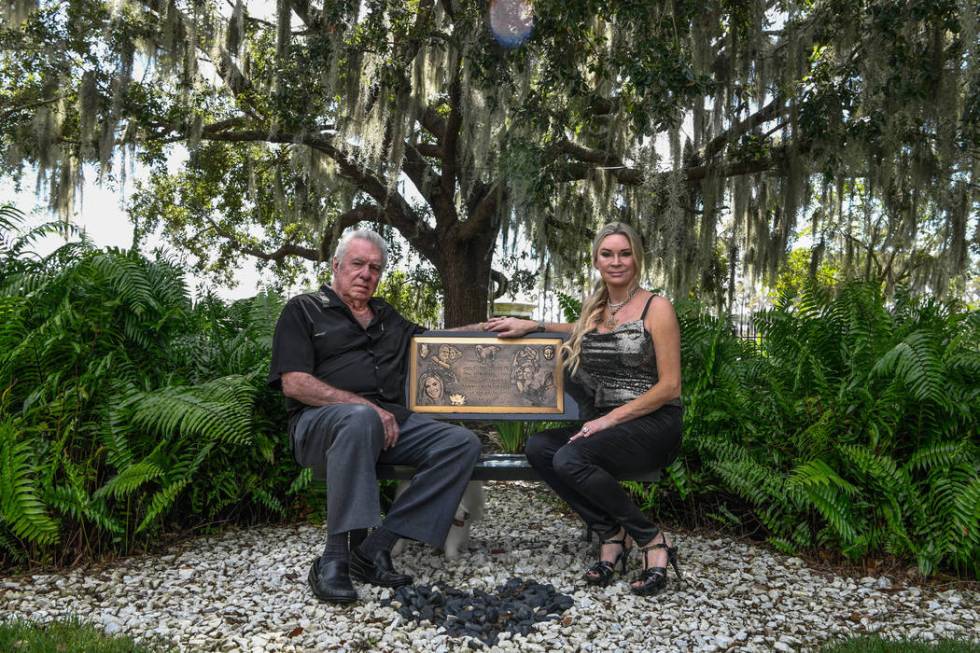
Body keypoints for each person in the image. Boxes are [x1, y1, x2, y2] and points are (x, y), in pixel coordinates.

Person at [268, 229, 482, 604]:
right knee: (359, 418)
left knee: (461, 443)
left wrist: (490, 330)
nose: (367, 274)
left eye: (375, 268)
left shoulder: (386, 317)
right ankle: (333, 559)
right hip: (321, 426)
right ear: (336, 266)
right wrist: (367, 408)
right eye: (358, 264)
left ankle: (373, 549)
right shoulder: (303, 309)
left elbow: (437, 341)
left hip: (389, 426)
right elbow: (294, 384)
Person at [484, 222, 683, 596]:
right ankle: (611, 532)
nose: (617, 261)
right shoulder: (598, 311)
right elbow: (577, 329)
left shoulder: (657, 309)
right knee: (540, 448)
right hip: (609, 429)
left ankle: (651, 539)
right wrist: (533, 324)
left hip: (654, 425)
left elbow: (670, 386)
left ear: (637, 258)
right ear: (596, 261)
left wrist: (606, 420)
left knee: (570, 458)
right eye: (607, 254)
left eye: (624, 253)